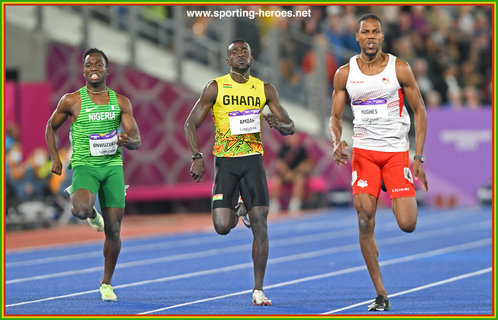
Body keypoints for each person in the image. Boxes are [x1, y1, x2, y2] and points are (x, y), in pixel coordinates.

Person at [329, 14, 428, 311]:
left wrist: (418, 156)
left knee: (408, 224)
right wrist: (337, 142)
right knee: (363, 220)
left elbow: (420, 111)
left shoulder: (400, 68)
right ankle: (381, 292)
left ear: (382, 37)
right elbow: (334, 117)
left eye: (375, 31)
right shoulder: (345, 74)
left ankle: (390, 186)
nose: (370, 36)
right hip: (365, 155)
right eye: (365, 32)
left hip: (396, 155)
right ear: (357, 37)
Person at [184, 39, 295, 306]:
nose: (240, 55)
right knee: (222, 226)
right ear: (228, 61)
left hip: (253, 162)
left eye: (244, 51)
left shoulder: (264, 89)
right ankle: (239, 207)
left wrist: (277, 122)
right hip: (226, 163)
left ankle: (258, 289)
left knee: (261, 223)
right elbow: (190, 123)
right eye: (234, 52)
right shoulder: (215, 87)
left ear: (251, 58)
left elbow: (290, 126)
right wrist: (197, 156)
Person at [45, 48, 141, 302]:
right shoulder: (72, 100)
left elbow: (137, 139)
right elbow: (51, 127)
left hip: (112, 167)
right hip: (85, 165)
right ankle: (90, 212)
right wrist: (55, 157)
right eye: (88, 65)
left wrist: (125, 139)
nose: (93, 69)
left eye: (98, 65)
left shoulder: (121, 101)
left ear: (107, 70)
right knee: (79, 210)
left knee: (114, 229)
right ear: (83, 70)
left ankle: (106, 283)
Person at [269, 132, 311, 214]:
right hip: (285, 174)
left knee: (300, 181)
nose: (290, 138)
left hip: (297, 174)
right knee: (275, 181)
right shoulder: (283, 149)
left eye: (292, 137)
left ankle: (294, 204)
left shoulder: (302, 150)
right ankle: (274, 204)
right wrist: (287, 173)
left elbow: (305, 165)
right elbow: (280, 164)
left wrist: (294, 173)